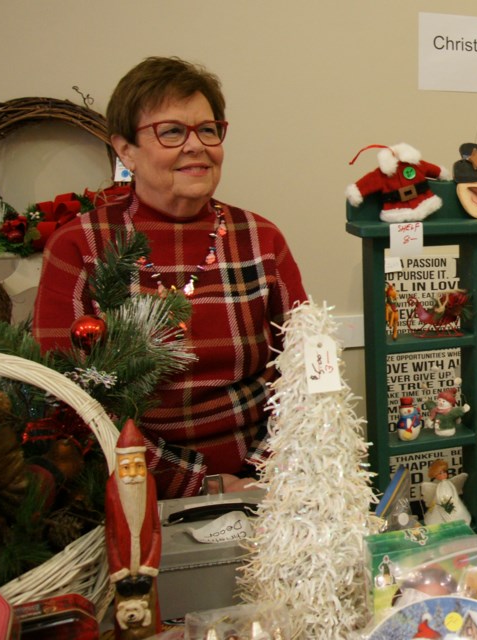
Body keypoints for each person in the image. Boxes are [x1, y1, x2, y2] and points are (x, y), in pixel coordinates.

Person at [33, 57, 307, 498]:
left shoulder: (261, 238)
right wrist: (197, 483)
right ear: (125, 150)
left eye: (208, 129)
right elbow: (68, 400)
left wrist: (261, 473)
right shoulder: (79, 245)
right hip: (135, 486)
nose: (196, 146)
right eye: (172, 131)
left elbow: (303, 374)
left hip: (268, 482)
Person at [105, 419, 161, 637]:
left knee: (150, 609)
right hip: (123, 570)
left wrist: (150, 565)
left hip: (147, 567)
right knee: (125, 616)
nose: (134, 474)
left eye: (138, 466)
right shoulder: (113, 488)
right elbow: (110, 535)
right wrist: (119, 571)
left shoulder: (149, 484)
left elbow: (156, 529)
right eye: (126, 468)